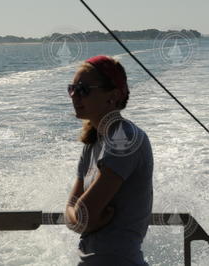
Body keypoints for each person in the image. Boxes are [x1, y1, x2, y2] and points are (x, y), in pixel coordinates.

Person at [65, 55, 153, 266]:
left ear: (112, 96)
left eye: (84, 89)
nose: (75, 96)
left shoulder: (125, 139)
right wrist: (85, 220)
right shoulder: (92, 143)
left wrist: (83, 219)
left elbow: (81, 213)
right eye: (72, 88)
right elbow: (72, 213)